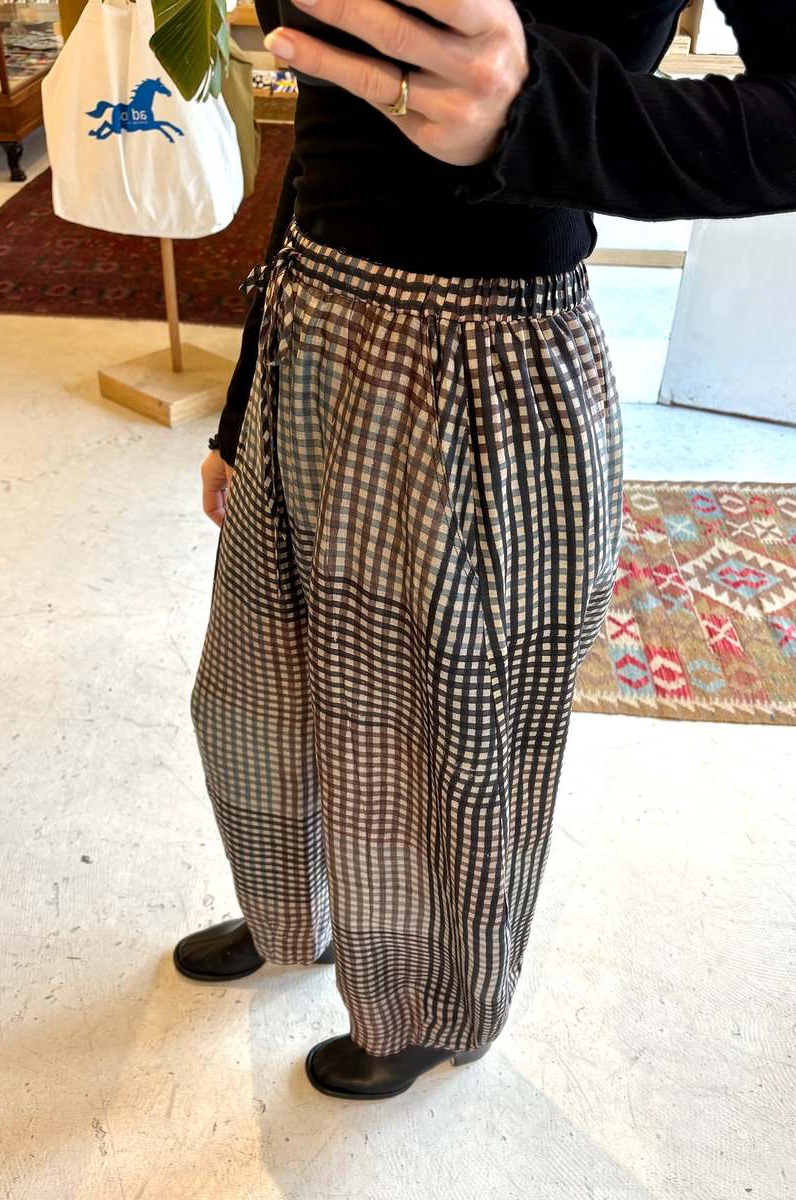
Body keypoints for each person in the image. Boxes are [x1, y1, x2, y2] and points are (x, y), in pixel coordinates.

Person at [176, 0, 796, 1101]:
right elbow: (331, 127)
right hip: (309, 329)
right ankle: (296, 914)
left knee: (434, 755)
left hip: (485, 363)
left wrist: (542, 109)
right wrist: (242, 401)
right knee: (256, 697)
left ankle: (425, 1011)